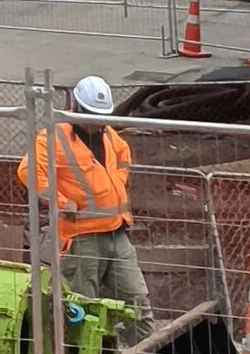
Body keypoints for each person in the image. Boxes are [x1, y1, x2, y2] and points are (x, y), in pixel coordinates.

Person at [15, 74, 149, 315]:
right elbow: (29, 171)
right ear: (75, 108)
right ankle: (86, 352)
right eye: (91, 116)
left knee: (137, 304)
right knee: (84, 310)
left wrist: (116, 185)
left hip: (116, 233)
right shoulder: (54, 137)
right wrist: (61, 201)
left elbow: (122, 157)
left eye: (101, 117)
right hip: (81, 238)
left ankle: (147, 351)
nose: (97, 123)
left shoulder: (109, 136)